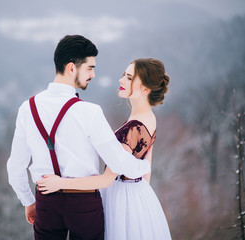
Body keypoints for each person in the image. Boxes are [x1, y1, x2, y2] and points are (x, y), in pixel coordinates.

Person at [6, 35, 151, 240]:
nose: (93, 74)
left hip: (46, 204)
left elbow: (15, 167)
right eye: (90, 68)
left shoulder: (27, 109)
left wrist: (28, 202)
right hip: (84, 206)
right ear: (71, 68)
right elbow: (117, 161)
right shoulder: (89, 112)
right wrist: (144, 167)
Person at [37, 58, 172, 239]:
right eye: (124, 75)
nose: (121, 80)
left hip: (121, 198)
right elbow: (147, 171)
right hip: (139, 196)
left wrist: (59, 183)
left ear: (146, 89)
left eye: (130, 78)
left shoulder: (133, 129)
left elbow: (106, 180)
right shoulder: (149, 118)